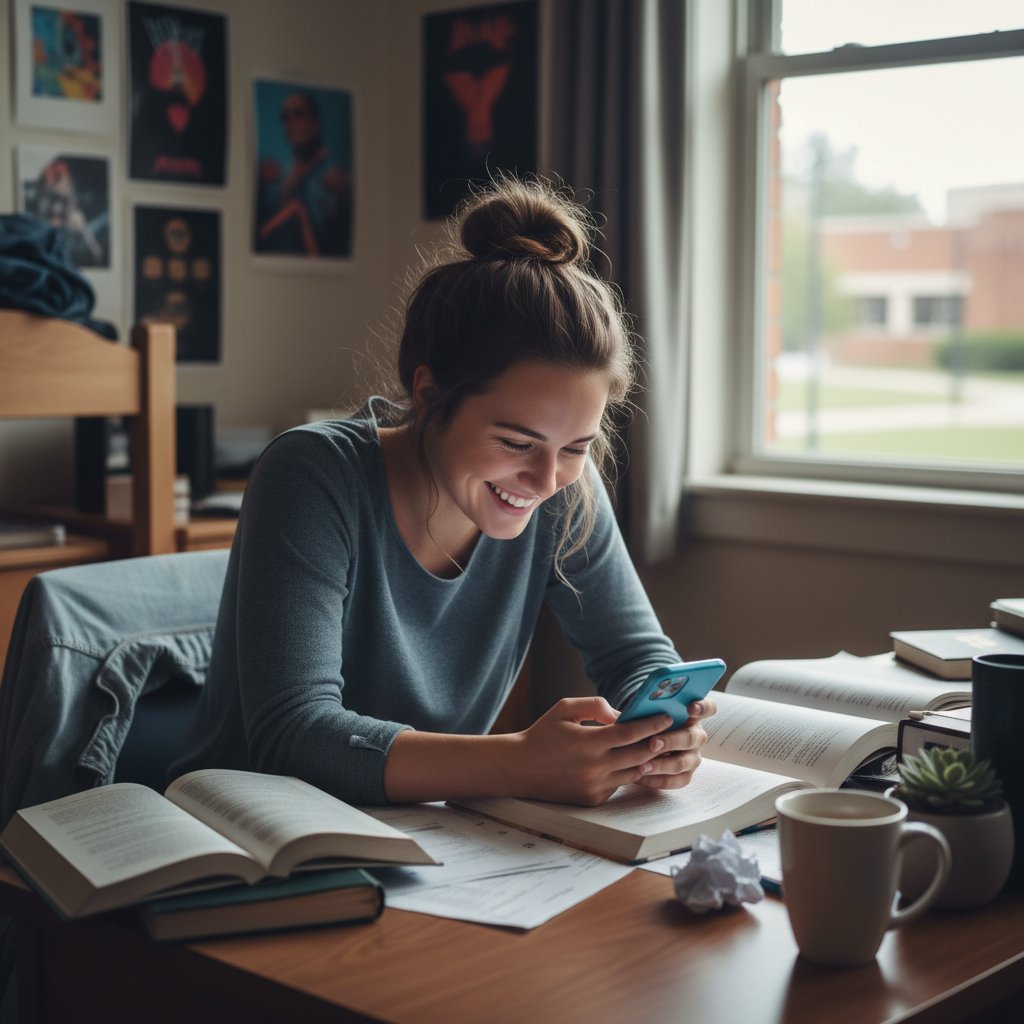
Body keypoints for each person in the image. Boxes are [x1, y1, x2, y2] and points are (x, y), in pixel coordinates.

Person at [174, 175, 716, 807]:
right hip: (255, 835)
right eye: (516, 443)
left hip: (431, 835)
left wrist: (663, 729)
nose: (546, 482)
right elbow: (292, 734)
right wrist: (517, 764)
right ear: (430, 396)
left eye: (575, 448)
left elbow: (636, 656)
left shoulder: (566, 490)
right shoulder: (312, 474)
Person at [254, 89, 351, 257]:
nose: (291, 123)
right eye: (286, 118)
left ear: (315, 122)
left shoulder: (333, 176)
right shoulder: (277, 177)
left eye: (298, 114)